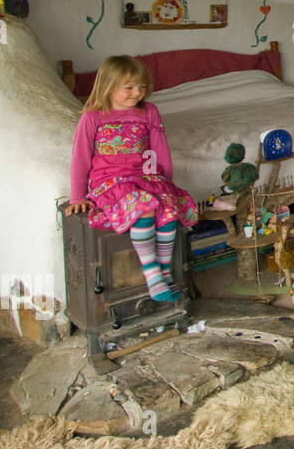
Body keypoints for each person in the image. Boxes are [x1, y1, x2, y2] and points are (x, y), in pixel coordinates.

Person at [66, 55, 198, 301]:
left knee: (169, 208)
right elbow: (80, 157)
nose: (137, 92)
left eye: (141, 87)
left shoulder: (149, 111)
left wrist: (165, 182)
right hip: (110, 181)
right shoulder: (93, 117)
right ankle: (152, 275)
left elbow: (159, 149)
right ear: (107, 86)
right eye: (128, 87)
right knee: (144, 207)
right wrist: (77, 196)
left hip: (144, 176)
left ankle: (165, 271)